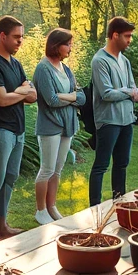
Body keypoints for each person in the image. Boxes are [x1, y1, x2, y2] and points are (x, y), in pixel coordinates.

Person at [0, 16, 37, 245]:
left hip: (18, 130)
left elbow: (33, 95)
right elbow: (1, 100)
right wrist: (21, 91)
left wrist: (21, 92)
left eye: (22, 37)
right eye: (16, 37)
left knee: (10, 178)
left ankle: (2, 226)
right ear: (2, 36)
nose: (20, 41)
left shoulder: (15, 63)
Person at [89, 17, 138, 206]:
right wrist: (130, 93)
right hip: (108, 121)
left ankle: (119, 204)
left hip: (127, 120)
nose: (130, 40)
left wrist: (132, 93)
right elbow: (106, 94)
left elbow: (131, 87)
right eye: (127, 36)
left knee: (122, 164)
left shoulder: (125, 61)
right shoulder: (99, 61)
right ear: (115, 35)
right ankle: (94, 209)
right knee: (101, 166)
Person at [32, 28, 86, 224]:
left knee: (58, 169)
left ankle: (51, 206)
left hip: (67, 125)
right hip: (50, 125)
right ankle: (40, 211)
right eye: (68, 44)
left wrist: (68, 97)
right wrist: (70, 98)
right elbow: (51, 100)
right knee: (46, 169)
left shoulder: (66, 69)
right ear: (57, 45)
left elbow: (81, 96)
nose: (71, 48)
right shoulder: (43, 69)